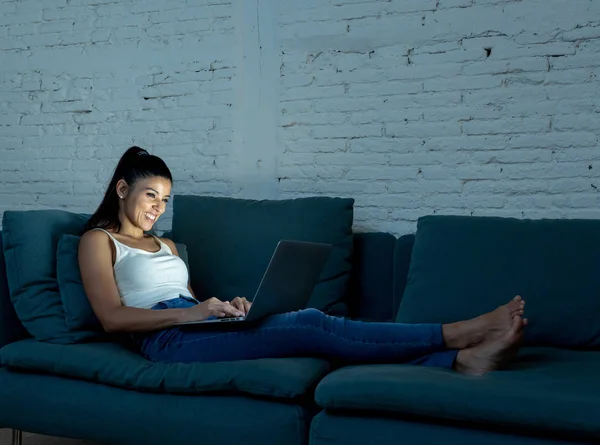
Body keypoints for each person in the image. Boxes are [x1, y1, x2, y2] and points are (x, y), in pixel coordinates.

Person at [78, 146, 528, 376]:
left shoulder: (171, 247)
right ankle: (458, 334)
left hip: (195, 326)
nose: (157, 207)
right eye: (149, 195)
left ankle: (458, 364)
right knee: (312, 323)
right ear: (122, 190)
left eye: (165, 199)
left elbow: (196, 303)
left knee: (310, 332)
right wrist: (194, 312)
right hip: (164, 341)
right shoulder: (99, 241)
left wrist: (224, 308)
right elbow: (113, 319)